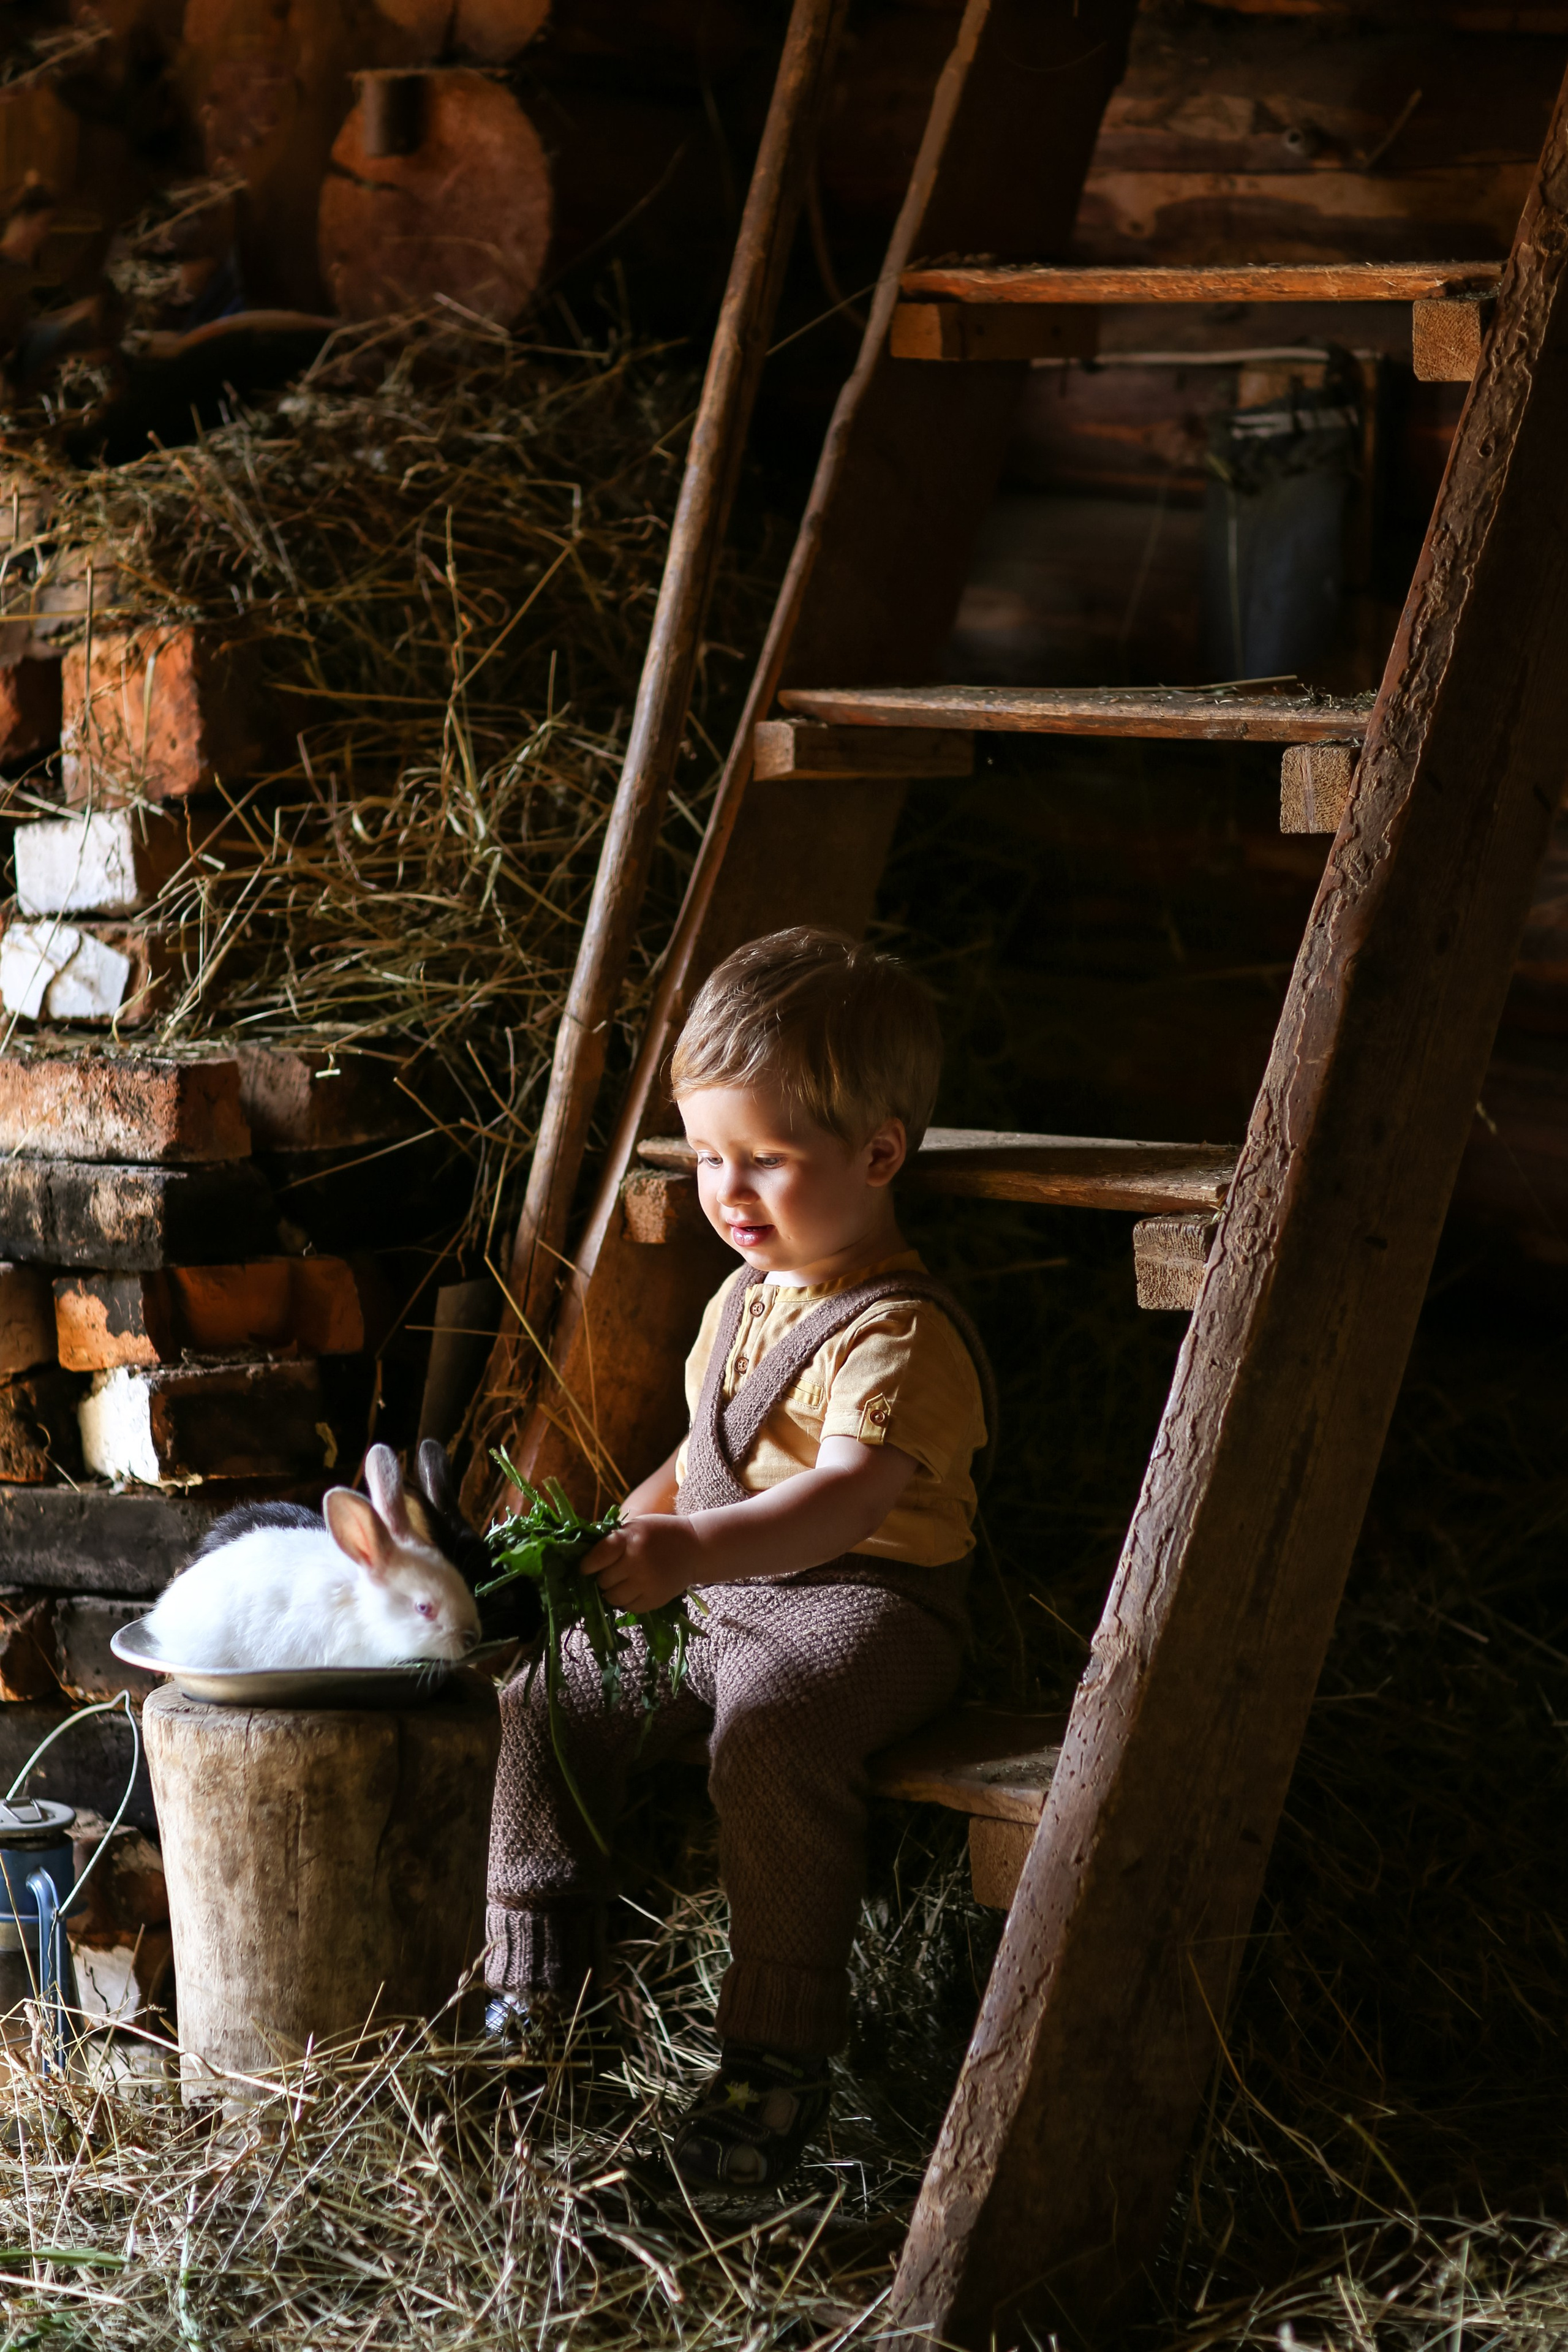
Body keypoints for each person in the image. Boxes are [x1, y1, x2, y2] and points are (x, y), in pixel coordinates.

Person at [484, 925, 995, 2188]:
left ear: (878, 1154)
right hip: (719, 1587)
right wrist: (629, 1526)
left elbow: (839, 1505)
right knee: (542, 1698)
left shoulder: (898, 1333)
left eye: (763, 1161)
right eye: (708, 1156)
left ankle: (771, 2062)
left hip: (860, 1606)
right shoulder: (742, 1294)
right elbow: (698, 1455)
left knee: (770, 1736)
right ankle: (536, 1988)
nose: (726, 1194)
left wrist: (690, 1552)